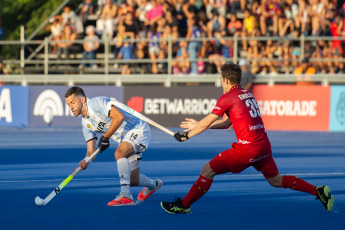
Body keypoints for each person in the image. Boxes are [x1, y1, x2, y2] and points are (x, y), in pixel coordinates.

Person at [160, 63, 334, 214]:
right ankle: (318, 191)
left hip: (247, 149)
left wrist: (188, 135)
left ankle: (183, 205)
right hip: (263, 146)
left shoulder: (227, 97)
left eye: (221, 80)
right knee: (276, 180)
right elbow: (227, 123)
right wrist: (198, 124)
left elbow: (208, 122)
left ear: (225, 80)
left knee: (207, 170)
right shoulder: (246, 94)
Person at [65, 86, 163, 206]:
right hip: (125, 138)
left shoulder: (96, 104)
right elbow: (91, 150)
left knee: (119, 153)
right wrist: (86, 161)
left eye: (72, 102)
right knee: (133, 180)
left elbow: (119, 117)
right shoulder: (85, 124)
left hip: (138, 129)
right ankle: (154, 185)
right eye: (68, 104)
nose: (71, 107)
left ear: (83, 100)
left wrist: (105, 137)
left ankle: (126, 196)